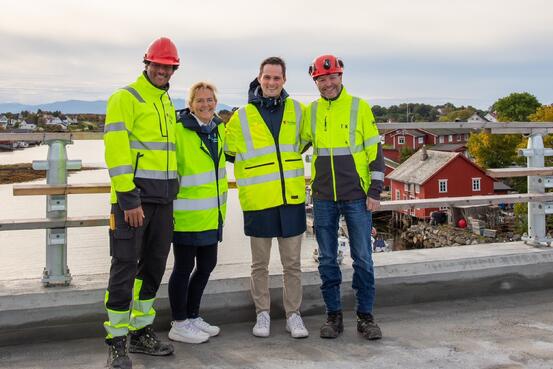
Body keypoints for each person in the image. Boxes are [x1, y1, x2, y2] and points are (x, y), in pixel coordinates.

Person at [103, 37, 180, 369]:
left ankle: (140, 330)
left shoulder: (166, 102)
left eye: (168, 66)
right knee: (124, 268)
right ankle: (117, 341)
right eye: (157, 65)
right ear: (147, 63)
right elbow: (117, 153)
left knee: (153, 268)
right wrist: (129, 200)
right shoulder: (125, 98)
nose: (162, 70)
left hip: (163, 202)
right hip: (132, 203)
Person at [301, 54, 385, 340]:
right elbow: (292, 146)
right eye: (321, 80)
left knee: (363, 259)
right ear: (315, 81)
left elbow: (376, 153)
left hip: (357, 197)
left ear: (341, 76)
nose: (328, 84)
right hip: (323, 197)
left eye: (332, 77)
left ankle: (366, 318)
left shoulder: (359, 107)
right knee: (327, 260)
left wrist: (374, 192)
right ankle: (333, 316)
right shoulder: (310, 112)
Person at [225, 57, 309, 338]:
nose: (272, 83)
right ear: (259, 78)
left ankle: (293, 315)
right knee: (259, 264)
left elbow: (306, 142)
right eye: (267, 77)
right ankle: (262, 314)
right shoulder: (241, 116)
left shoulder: (298, 111)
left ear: (284, 80)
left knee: (292, 265)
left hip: (291, 200)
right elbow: (227, 153)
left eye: (277, 78)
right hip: (259, 202)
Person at [167, 82, 228, 344]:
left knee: (206, 266)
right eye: (200, 100)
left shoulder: (218, 129)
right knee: (183, 268)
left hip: (212, 214)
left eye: (210, 100)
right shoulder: (179, 130)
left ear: (216, 102)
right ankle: (178, 322)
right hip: (186, 214)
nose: (205, 105)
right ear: (191, 104)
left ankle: (192, 316)